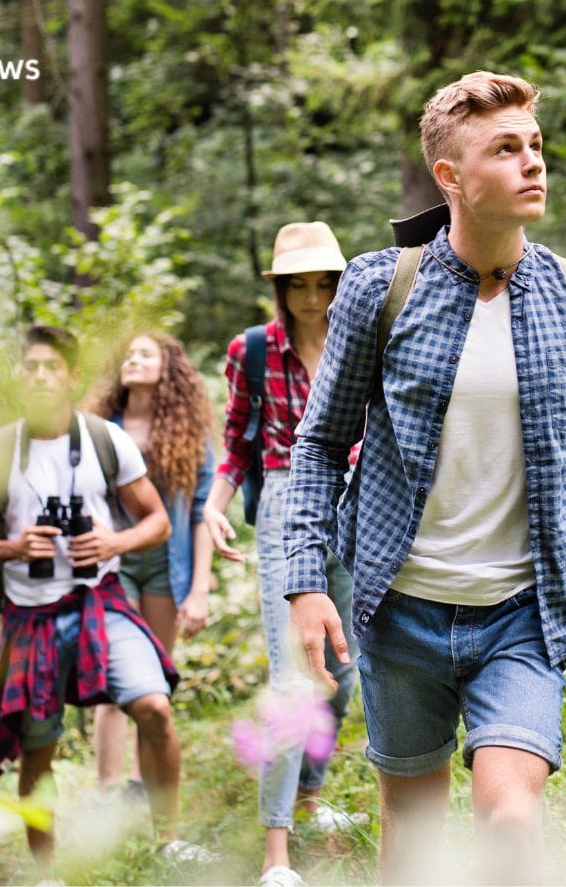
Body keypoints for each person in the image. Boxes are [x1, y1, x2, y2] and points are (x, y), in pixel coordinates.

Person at [283, 72, 566, 883]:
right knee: (417, 833)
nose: (532, 162)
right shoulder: (379, 288)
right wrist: (305, 583)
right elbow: (321, 443)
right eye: (505, 149)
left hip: (522, 617)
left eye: (534, 144)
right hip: (399, 612)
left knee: (510, 818)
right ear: (451, 177)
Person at [0, 325, 208, 872]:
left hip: (100, 600)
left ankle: (169, 840)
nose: (42, 377)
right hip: (32, 615)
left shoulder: (103, 439)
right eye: (32, 368)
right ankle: (46, 871)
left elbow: (158, 521)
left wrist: (114, 540)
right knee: (38, 746)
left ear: (72, 376)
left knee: (155, 707)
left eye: (53, 367)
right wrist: (12, 546)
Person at [202, 221, 365, 887]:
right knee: (291, 678)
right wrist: (214, 505)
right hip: (284, 500)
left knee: (343, 671)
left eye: (322, 284)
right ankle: (275, 853)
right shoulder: (253, 351)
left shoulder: (359, 341)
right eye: (297, 285)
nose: (309, 297)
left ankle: (309, 799)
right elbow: (238, 444)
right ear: (279, 289)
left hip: (356, 504)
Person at [83, 331, 219, 797]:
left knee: (151, 677)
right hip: (110, 566)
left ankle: (140, 784)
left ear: (168, 369)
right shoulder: (98, 426)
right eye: (128, 353)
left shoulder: (187, 433)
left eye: (145, 353)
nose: (133, 359)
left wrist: (199, 587)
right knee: (109, 676)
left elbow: (203, 511)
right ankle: (106, 793)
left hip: (166, 565)